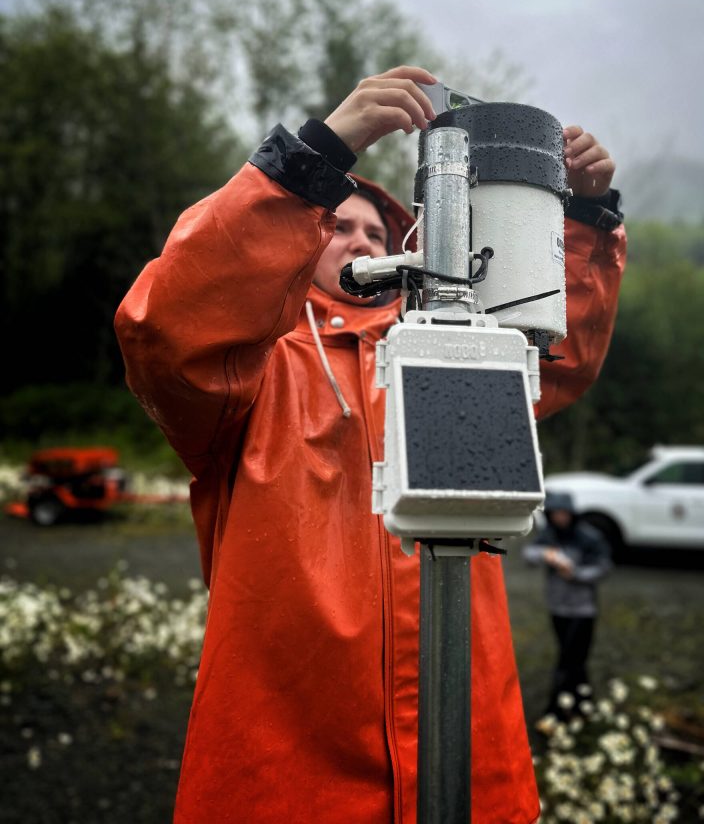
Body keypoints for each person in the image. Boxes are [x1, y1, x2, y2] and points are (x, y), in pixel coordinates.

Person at [115, 66, 626, 824]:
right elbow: (170, 326)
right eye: (338, 225)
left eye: (377, 232)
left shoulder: (459, 351)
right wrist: (314, 159)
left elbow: (560, 359)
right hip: (286, 778)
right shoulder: (249, 373)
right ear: (303, 237)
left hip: (466, 759)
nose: (358, 239)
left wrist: (582, 214)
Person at [523, 491, 612, 720]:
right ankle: (584, 705)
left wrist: (576, 573)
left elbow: (604, 567)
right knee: (575, 661)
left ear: (572, 514)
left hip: (582, 610)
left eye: (564, 514)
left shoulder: (589, 537)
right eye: (555, 514)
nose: (560, 519)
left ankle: (554, 711)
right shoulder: (549, 535)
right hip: (557, 607)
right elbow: (528, 554)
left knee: (567, 660)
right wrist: (547, 555)